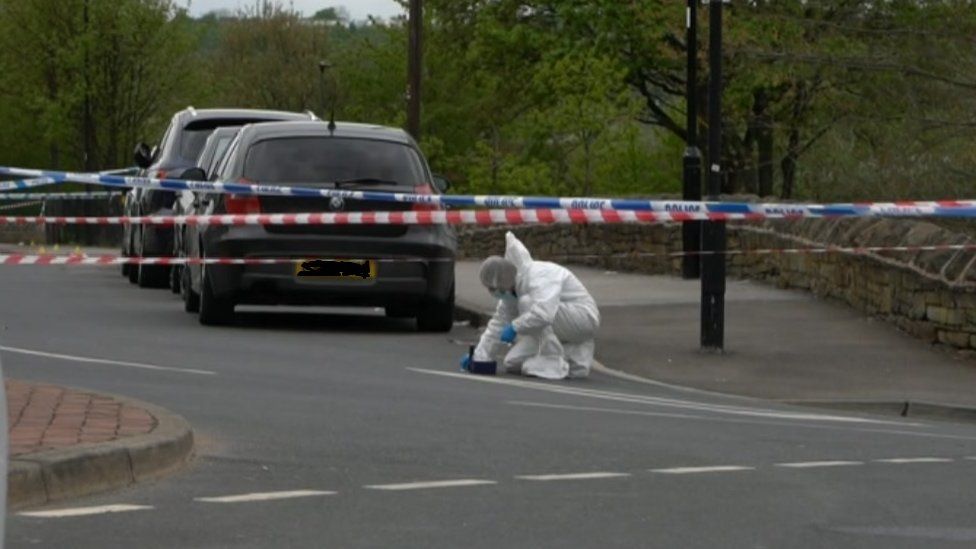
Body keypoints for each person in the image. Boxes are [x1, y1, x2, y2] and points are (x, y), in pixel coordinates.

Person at [461, 232, 600, 380]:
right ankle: (572, 354)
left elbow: (543, 313)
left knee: (527, 304)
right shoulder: (511, 293)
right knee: (513, 363)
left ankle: (552, 358)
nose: (494, 293)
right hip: (561, 323)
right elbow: (498, 324)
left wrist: (515, 326)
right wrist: (480, 356)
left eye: (494, 289)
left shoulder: (538, 275)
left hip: (583, 318)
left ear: (502, 282)